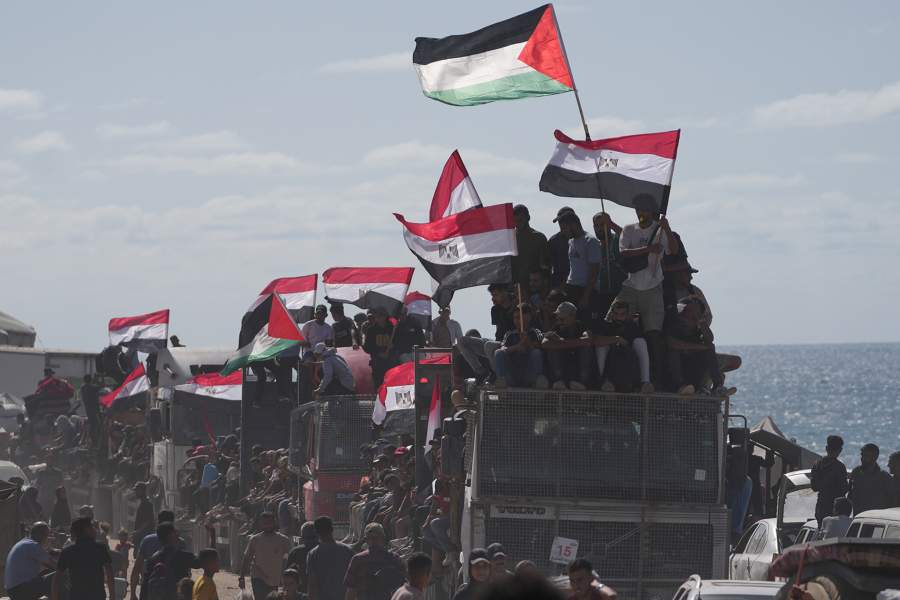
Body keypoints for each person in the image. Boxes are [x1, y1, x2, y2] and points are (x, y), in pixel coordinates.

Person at [613, 194, 679, 384]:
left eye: (645, 209)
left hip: (652, 287)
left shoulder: (659, 231)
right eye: (638, 209)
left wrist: (666, 228)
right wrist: (647, 250)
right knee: (613, 323)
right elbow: (623, 252)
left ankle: (655, 379)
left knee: (653, 334)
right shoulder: (629, 229)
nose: (641, 213)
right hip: (631, 286)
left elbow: (673, 251)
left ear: (652, 211)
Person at [664, 297, 732, 396]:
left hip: (693, 373)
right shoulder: (674, 325)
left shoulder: (697, 329)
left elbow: (709, 339)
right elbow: (672, 343)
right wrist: (700, 347)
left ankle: (717, 386)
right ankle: (681, 386)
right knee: (673, 352)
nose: (690, 315)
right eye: (689, 310)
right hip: (673, 377)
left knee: (709, 349)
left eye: (695, 312)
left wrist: (701, 320)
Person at [591, 300, 652, 393]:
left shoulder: (632, 327)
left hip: (627, 365)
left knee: (641, 342)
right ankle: (602, 381)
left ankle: (645, 382)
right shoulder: (605, 325)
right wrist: (617, 339)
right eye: (616, 314)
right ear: (611, 314)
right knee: (601, 347)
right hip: (608, 364)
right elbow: (596, 341)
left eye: (622, 314)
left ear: (627, 315)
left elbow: (632, 345)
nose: (619, 317)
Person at [556, 208, 604, 323]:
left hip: (585, 290)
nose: (562, 232)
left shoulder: (590, 241)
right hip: (571, 288)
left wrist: (586, 296)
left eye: (564, 228)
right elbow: (574, 266)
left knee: (585, 322)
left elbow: (594, 272)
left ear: (573, 225)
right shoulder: (571, 241)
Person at [457, 285, 514, 382]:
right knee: (462, 341)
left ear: (505, 292)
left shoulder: (516, 307)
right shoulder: (495, 310)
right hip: (498, 343)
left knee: (489, 345)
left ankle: (497, 376)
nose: (493, 299)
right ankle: (482, 372)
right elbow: (498, 331)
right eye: (492, 295)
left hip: (509, 344)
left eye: (496, 295)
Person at [51, 517, 114, 600]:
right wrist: (112, 596)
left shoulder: (67, 551)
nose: (95, 530)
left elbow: (57, 579)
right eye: (92, 527)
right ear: (87, 530)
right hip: (97, 596)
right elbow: (109, 573)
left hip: (76, 596)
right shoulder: (100, 548)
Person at [344, 522, 405, 600]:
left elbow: (351, 591)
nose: (373, 541)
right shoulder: (394, 558)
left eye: (376, 538)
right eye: (371, 538)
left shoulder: (358, 559)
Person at [239, 512, 292, 600]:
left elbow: (290, 558)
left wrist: (287, 576)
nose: (267, 525)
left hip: (275, 578)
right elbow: (247, 558)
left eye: (269, 523)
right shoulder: (255, 539)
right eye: (264, 523)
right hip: (258, 576)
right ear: (260, 524)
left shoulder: (283, 540)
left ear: (274, 522)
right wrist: (241, 577)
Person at [493, 305, 547, 389]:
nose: (517, 321)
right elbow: (502, 348)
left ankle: (536, 382)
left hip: (529, 374)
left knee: (536, 353)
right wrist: (516, 347)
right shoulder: (510, 334)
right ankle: (501, 382)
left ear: (528, 317)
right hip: (512, 375)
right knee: (498, 353)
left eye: (520, 318)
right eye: (515, 318)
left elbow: (541, 347)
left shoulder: (535, 332)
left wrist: (528, 342)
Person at [542, 301, 592, 390]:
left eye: (562, 319)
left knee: (586, 349)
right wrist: (573, 343)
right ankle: (559, 380)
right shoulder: (557, 326)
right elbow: (545, 343)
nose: (559, 321)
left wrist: (562, 342)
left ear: (572, 316)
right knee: (552, 349)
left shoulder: (581, 326)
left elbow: (588, 340)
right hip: (563, 363)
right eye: (557, 318)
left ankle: (582, 382)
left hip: (578, 364)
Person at [130, 510, 179, 600]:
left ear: (158, 522)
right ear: (172, 523)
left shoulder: (147, 540)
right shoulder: (179, 542)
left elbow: (137, 568)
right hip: (172, 591)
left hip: (149, 589)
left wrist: (133, 594)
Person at [143, 522, 200, 600]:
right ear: (171, 535)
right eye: (175, 532)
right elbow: (206, 562)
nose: (178, 534)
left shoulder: (152, 559)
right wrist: (212, 534)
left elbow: (145, 586)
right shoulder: (183, 556)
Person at [5, 521, 56, 600]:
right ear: (40, 535)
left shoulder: (24, 542)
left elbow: (47, 561)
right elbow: (55, 566)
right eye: (46, 535)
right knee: (58, 575)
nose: (47, 538)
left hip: (12, 591)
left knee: (47, 572)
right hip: (21, 591)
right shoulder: (33, 545)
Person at [306, 516, 353, 600]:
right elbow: (355, 580)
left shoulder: (313, 554)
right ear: (332, 529)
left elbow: (312, 584)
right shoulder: (347, 550)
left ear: (316, 533)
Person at [591, 212, 625, 317]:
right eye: (597, 226)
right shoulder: (595, 245)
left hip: (620, 292)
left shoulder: (617, 240)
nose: (599, 228)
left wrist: (611, 224)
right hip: (602, 293)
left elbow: (627, 236)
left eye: (603, 225)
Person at [809, 435, 849, 524]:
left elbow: (814, 487)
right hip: (837, 508)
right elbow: (844, 489)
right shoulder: (839, 467)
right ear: (840, 450)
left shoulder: (817, 465)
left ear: (827, 448)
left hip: (821, 507)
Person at [848, 443, 894, 515]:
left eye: (866, 456)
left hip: (875, 519)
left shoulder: (884, 477)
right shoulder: (856, 472)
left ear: (875, 457)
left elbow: (891, 501)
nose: (862, 458)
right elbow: (850, 495)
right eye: (862, 455)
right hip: (858, 517)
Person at [511, 204, 549, 289]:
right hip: (515, 288)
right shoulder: (510, 239)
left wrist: (544, 289)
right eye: (515, 221)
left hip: (534, 287)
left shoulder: (539, 238)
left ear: (528, 218)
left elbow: (546, 266)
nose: (517, 224)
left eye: (520, 220)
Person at [362, 307, 395, 388]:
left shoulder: (393, 329)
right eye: (377, 316)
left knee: (392, 384)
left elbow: (399, 343)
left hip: (391, 362)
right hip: (377, 362)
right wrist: (378, 353)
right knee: (379, 385)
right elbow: (367, 347)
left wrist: (393, 346)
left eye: (381, 315)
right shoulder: (371, 330)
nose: (378, 318)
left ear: (385, 316)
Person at [548, 207, 574, 289]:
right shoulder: (554, 240)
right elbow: (549, 264)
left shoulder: (584, 240)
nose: (561, 224)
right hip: (558, 284)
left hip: (577, 284)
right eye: (560, 221)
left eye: (563, 221)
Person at [133, 481, 156, 550]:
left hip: (145, 534)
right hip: (142, 534)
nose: (135, 492)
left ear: (142, 491)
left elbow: (148, 521)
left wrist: (138, 531)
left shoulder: (147, 504)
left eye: (137, 490)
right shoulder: (142, 503)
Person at [80, 373, 102, 445]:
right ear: (90, 380)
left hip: (88, 408)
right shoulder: (92, 387)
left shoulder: (83, 387)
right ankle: (95, 440)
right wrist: (99, 379)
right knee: (97, 424)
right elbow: (101, 386)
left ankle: (93, 440)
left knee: (92, 424)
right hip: (94, 409)